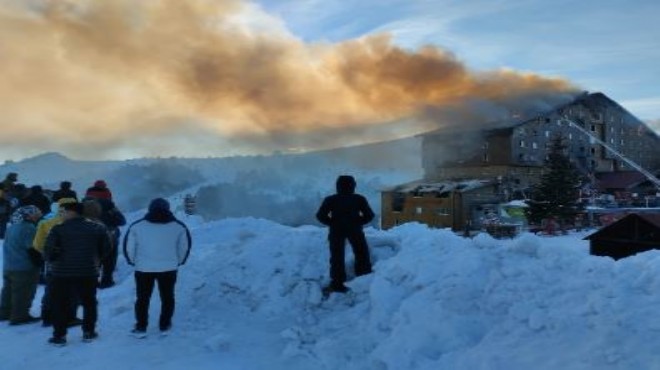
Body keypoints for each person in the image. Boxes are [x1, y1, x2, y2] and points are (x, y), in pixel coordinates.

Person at [44, 202, 111, 346]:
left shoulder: (58, 229)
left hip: (61, 273)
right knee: (89, 303)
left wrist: (54, 259)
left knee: (60, 304)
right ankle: (89, 332)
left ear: (71, 212)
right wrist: (95, 259)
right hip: (88, 271)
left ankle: (59, 336)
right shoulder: (97, 228)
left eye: (63, 212)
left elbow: (48, 252)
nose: (61, 214)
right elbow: (107, 248)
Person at [123, 198, 191, 337]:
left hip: (143, 269)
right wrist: (178, 262)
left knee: (142, 298)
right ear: (168, 208)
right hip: (168, 268)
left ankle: (141, 327)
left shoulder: (137, 226)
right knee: (167, 297)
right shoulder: (178, 226)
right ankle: (164, 325)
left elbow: (129, 247)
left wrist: (133, 262)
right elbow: (184, 247)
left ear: (150, 209)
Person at [316, 175, 375, 294]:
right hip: (355, 230)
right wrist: (358, 221)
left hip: (336, 231)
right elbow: (369, 215)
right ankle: (363, 279)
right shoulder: (359, 199)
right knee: (361, 253)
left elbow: (320, 216)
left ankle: (337, 284)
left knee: (337, 257)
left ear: (338, 186)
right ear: (353, 186)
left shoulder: (331, 199)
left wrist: (332, 223)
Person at [33, 197, 79, 327]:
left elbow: (37, 245)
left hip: (52, 263)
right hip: (73, 263)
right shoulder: (80, 223)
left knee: (51, 289)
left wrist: (48, 254)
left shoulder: (46, 223)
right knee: (71, 291)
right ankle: (69, 317)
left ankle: (47, 317)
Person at [0, 206, 43, 325]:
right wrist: (39, 263)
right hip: (24, 267)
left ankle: (4, 312)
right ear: (28, 216)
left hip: (9, 265)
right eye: (36, 213)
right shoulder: (29, 228)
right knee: (23, 292)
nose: (38, 215)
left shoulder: (11, 227)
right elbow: (32, 249)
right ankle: (20, 316)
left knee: (7, 291)